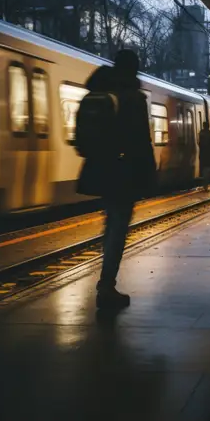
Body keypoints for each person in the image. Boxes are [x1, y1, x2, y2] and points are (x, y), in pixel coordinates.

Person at [76, 49, 156, 309]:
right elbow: (141, 141)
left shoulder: (97, 91)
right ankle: (106, 286)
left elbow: (82, 141)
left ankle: (106, 282)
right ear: (134, 69)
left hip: (99, 169)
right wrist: (149, 177)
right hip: (124, 171)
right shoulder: (133, 97)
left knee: (111, 222)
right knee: (118, 227)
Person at [198, 121, 210, 191]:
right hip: (209, 154)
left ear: (203, 126)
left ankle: (204, 184)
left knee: (204, 169)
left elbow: (199, 143)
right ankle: (206, 185)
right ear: (208, 126)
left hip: (202, 154)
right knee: (208, 169)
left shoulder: (201, 133)